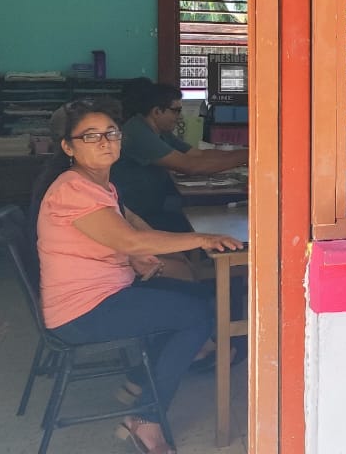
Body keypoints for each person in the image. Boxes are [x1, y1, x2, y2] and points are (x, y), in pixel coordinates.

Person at [36, 98, 242, 454]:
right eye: (90, 136)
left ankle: (141, 379)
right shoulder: (72, 190)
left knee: (200, 298)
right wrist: (202, 239)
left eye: (111, 133)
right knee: (195, 317)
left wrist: (134, 256)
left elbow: (125, 229)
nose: (104, 142)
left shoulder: (99, 184)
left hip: (107, 292)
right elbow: (130, 239)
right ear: (68, 147)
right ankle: (147, 418)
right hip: (82, 312)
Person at [111, 83, 248, 233]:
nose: (179, 116)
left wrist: (245, 153)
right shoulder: (139, 132)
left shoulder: (160, 131)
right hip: (136, 216)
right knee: (207, 223)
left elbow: (198, 154)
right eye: (176, 111)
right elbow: (190, 166)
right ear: (157, 111)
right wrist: (248, 156)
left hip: (152, 206)